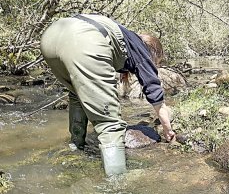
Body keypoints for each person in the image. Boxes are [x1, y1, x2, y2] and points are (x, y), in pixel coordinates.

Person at [40, 14, 175, 176]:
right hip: (84, 40)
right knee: (110, 124)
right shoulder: (141, 49)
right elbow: (154, 92)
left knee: (77, 94)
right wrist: (168, 130)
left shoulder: (127, 37)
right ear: (153, 52)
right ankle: (117, 183)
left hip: (51, 37)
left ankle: (75, 148)